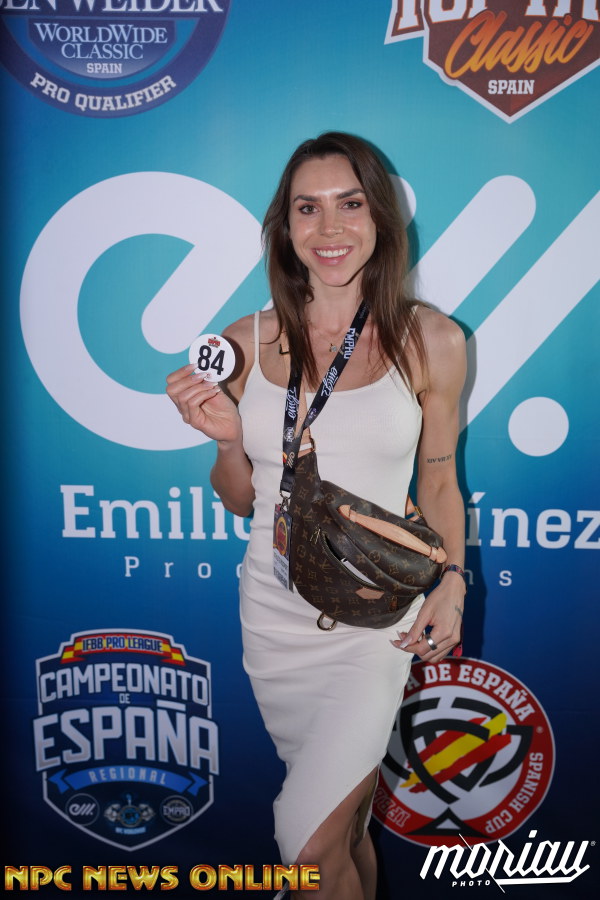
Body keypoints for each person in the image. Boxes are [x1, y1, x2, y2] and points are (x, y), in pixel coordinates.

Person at [166, 132, 466, 900]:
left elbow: (438, 478)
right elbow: (241, 499)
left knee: (305, 843)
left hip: (376, 621)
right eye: (308, 208)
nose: (329, 228)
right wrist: (228, 441)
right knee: (343, 832)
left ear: (381, 218)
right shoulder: (244, 342)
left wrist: (454, 579)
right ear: (285, 225)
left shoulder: (433, 340)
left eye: (350, 204)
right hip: (275, 616)